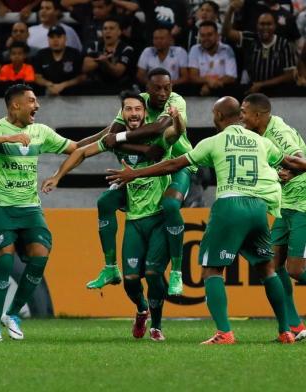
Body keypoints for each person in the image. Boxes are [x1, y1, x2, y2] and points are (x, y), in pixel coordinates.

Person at [107, 96, 306, 344]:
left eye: (214, 114)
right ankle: (286, 330)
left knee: (212, 270)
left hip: (230, 206)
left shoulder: (214, 141)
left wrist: (134, 173)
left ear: (220, 117)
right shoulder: (260, 141)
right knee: (267, 269)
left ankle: (224, 333)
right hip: (258, 208)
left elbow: (173, 164)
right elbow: (294, 163)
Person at [42, 91, 182, 341]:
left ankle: (157, 326)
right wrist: (57, 176)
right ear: (122, 113)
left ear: (144, 112)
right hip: (134, 217)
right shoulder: (113, 138)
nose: (134, 113)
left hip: (157, 216)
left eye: (138, 109)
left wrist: (178, 119)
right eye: (128, 109)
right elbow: (82, 152)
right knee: (130, 280)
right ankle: (141, 309)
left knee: (152, 274)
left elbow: (175, 133)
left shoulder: (158, 136)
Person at [0, 84, 77, 341]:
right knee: (5, 259)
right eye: (32, 101)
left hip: (29, 206)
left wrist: (110, 135)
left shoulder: (40, 131)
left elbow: (76, 148)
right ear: (16, 105)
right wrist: (6, 138)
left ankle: (12, 314)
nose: (37, 106)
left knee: (41, 254)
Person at [80, 68, 194, 297]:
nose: (163, 92)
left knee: (171, 206)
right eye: (157, 88)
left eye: (167, 87)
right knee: (105, 202)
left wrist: (120, 139)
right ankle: (110, 268)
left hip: (178, 164)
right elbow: (110, 134)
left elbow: (158, 128)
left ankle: (177, 273)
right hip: (144, 168)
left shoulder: (175, 101)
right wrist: (140, 148)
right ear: (146, 89)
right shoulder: (136, 103)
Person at [240, 93, 306, 341]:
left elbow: (300, 159)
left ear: (258, 115)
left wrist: (289, 170)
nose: (241, 117)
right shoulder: (258, 134)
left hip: (302, 203)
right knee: (273, 264)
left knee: (296, 270)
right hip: (284, 205)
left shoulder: (278, 132)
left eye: (244, 112)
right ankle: (295, 325)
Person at [223, 4, 296, 94]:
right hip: (252, 90)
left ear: (275, 26)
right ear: (257, 26)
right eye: (262, 24)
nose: (265, 27)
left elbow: (290, 75)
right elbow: (227, 33)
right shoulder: (250, 38)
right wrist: (230, 10)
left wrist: (262, 84)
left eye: (269, 24)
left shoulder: (284, 44)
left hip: (277, 92)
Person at [82, 17, 134, 93]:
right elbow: (85, 67)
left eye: (111, 28)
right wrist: (101, 61)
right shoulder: (94, 46)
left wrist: (105, 62)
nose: (107, 31)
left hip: (119, 89)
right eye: (105, 29)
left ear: (119, 32)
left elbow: (118, 72)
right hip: (96, 88)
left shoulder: (126, 49)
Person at [188, 21, 237, 96]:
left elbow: (231, 77)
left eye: (209, 35)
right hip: (200, 90)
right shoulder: (195, 49)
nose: (206, 38)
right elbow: (193, 76)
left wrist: (209, 85)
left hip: (223, 90)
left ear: (217, 36)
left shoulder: (227, 49)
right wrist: (208, 80)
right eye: (202, 35)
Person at [33, 24, 85, 95]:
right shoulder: (41, 54)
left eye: (59, 37)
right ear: (48, 39)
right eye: (52, 37)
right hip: (47, 95)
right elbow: (37, 77)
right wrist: (48, 84)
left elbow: (81, 77)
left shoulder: (75, 54)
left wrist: (64, 85)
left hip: (72, 96)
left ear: (65, 38)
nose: (55, 40)